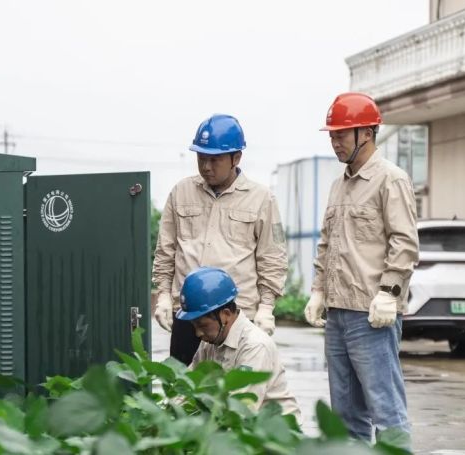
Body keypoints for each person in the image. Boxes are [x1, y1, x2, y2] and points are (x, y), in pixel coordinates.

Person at [304, 92, 419, 447]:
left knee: (386, 408)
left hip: (372, 315)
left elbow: (404, 242)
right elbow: (327, 243)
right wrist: (318, 290)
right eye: (332, 135)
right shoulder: (339, 186)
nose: (335, 142)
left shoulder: (391, 180)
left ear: (366, 133)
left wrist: (389, 293)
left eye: (341, 134)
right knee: (346, 416)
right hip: (338, 313)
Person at [152, 114, 287, 365]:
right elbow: (165, 252)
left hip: (234, 319)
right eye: (201, 158)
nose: (206, 166)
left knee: (235, 388)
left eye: (214, 159)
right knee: (182, 386)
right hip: (189, 316)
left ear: (236, 158)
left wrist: (266, 307)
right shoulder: (181, 193)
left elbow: (272, 258)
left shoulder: (261, 199)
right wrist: (163, 295)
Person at [177, 266, 301, 419]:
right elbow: (189, 385)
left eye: (203, 326)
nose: (198, 333)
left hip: (274, 428)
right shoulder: (209, 341)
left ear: (225, 314)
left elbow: (242, 408)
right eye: (194, 326)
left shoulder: (255, 346)